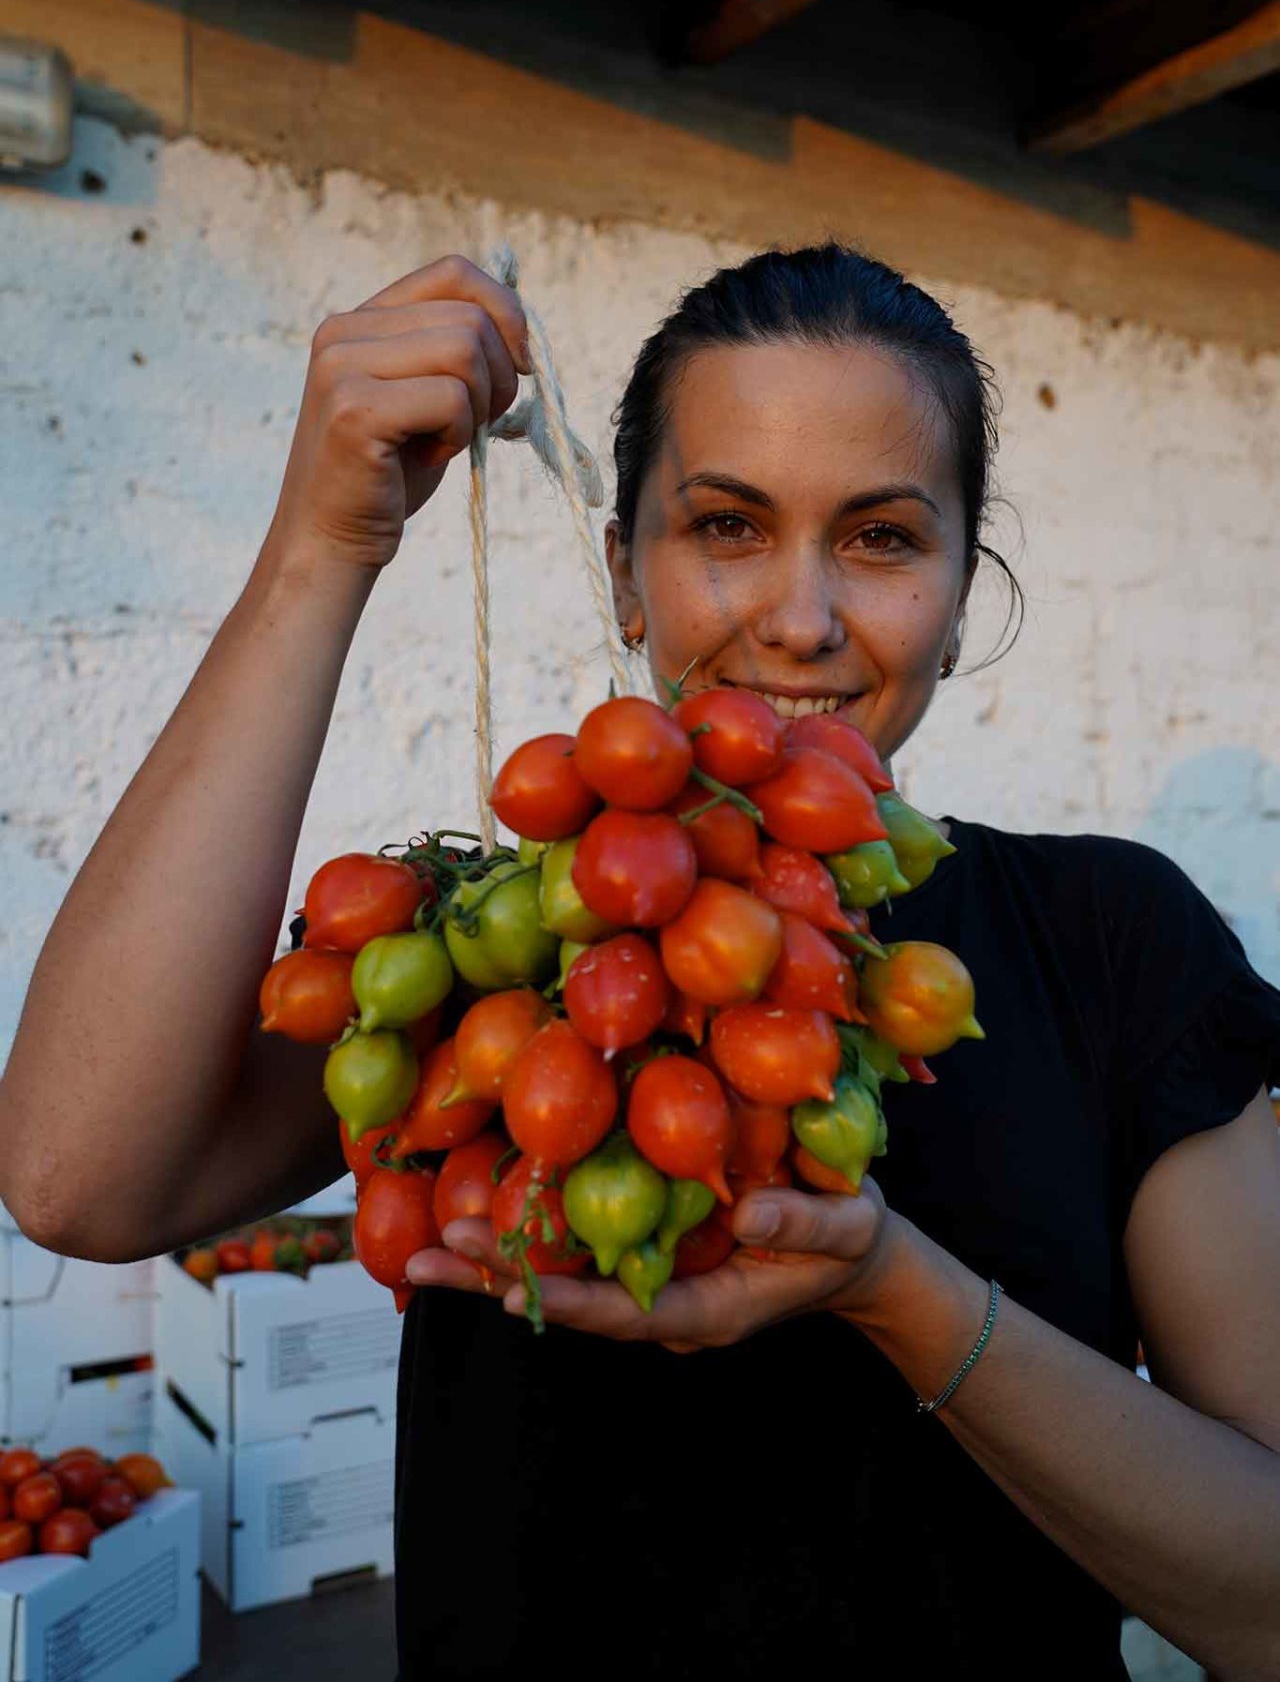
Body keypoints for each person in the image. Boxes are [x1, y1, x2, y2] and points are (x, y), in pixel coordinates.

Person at [2, 245, 1277, 1680]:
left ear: (962, 589)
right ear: (625, 572)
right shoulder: (497, 935)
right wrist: (322, 549)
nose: (800, 617)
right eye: (726, 526)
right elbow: (75, 1179)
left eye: (881, 539)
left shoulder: (1114, 938)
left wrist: (896, 1290)